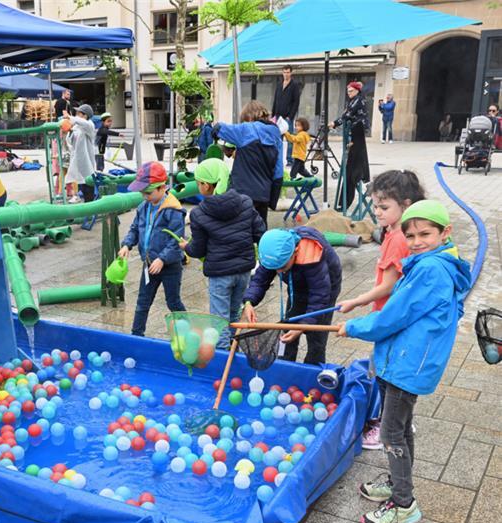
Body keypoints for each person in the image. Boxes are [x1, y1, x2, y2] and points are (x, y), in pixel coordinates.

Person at [340, 200, 470, 523]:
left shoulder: (430, 269)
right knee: (400, 427)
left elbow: (395, 316)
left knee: (391, 433)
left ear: (445, 232)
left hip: (406, 366)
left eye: (425, 234)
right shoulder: (430, 262)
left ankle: (403, 504)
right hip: (401, 361)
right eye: (410, 235)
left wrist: (355, 326)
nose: (416, 242)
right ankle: (400, 484)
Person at [338, 170, 426, 450]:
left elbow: (388, 286)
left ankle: (389, 427)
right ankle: (400, 420)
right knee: (388, 371)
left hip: (390, 317)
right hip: (394, 316)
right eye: (375, 205)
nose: (376, 212)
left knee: (386, 373)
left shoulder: (400, 238)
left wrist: (357, 300)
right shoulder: (396, 232)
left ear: (406, 205)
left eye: (384, 207)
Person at [181, 158, 265, 349]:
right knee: (234, 315)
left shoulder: (199, 213)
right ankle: (233, 353)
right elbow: (260, 233)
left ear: (205, 185)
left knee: (218, 321)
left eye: (198, 183)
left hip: (220, 274)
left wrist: (186, 247)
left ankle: (222, 360)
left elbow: (198, 250)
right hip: (244, 270)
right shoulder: (245, 202)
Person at [243, 226, 342, 365]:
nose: (278, 271)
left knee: (316, 337)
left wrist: (303, 326)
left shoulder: (311, 255)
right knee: (288, 329)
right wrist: (248, 302)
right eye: (274, 268)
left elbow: (320, 296)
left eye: (282, 267)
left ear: (294, 252)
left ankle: (313, 372)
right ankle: (286, 366)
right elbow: (260, 279)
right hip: (298, 287)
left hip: (325, 289)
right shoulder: (273, 252)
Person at [119, 162, 186, 337]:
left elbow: (175, 240)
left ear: (162, 188)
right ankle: (136, 336)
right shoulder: (144, 207)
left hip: (170, 266)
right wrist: (127, 244)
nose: (144, 196)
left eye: (148, 193)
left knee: (173, 302)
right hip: (149, 264)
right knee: (142, 302)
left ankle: (188, 331)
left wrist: (162, 259)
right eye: (142, 193)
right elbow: (135, 229)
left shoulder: (174, 210)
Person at [213, 100, 284, 228]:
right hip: (263, 195)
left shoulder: (246, 129)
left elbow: (218, 128)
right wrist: (271, 200)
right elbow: (278, 173)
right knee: (260, 233)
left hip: (241, 194)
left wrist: (213, 134)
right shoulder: (276, 135)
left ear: (250, 117)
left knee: (238, 231)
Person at [330, 81, 370, 211]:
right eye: (348, 91)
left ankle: (345, 202)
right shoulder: (352, 101)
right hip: (353, 133)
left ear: (357, 91)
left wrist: (335, 123)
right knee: (348, 170)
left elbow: (347, 115)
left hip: (357, 133)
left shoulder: (358, 101)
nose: (349, 93)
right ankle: (343, 201)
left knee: (352, 169)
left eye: (351, 90)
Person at [63, 104, 96, 203]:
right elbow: (70, 142)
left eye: (79, 113)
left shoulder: (89, 125)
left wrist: (70, 117)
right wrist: (69, 130)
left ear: (85, 115)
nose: (77, 115)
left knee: (88, 188)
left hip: (87, 164)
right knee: (81, 185)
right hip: (78, 162)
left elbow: (84, 124)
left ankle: (90, 211)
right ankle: (85, 209)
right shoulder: (77, 128)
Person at [272, 65, 301, 165]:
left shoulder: (294, 85)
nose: (286, 74)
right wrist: (273, 115)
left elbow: (296, 102)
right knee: (278, 139)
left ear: (291, 73)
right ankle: (278, 159)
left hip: (288, 117)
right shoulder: (279, 84)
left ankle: (290, 160)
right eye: (284, 72)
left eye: (288, 72)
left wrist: (290, 116)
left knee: (289, 139)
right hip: (278, 116)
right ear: (282, 73)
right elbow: (275, 100)